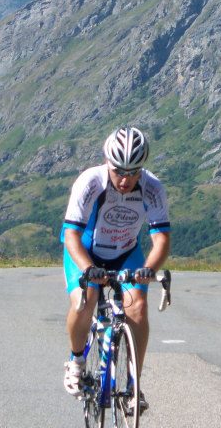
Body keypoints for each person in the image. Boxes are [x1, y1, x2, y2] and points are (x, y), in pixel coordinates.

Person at [61, 126, 171, 409]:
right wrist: (88, 269)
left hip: (125, 254)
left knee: (138, 306)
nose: (125, 179)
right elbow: (71, 235)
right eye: (119, 171)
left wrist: (149, 268)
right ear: (107, 162)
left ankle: (134, 387)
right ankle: (76, 361)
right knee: (86, 299)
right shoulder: (90, 182)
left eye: (133, 172)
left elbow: (161, 240)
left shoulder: (152, 188)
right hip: (85, 251)